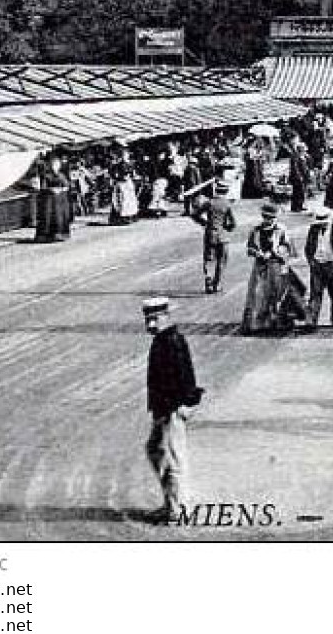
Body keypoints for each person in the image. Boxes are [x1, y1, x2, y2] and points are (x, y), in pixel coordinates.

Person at [143, 297, 202, 524]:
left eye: (155, 319)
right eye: (148, 320)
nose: (150, 324)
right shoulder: (163, 339)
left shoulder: (173, 342)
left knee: (174, 459)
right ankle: (171, 503)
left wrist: (185, 405)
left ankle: (179, 510)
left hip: (172, 409)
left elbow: (186, 377)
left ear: (166, 317)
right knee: (156, 451)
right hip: (162, 409)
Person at [243, 203, 302, 334]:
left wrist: (276, 252)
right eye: (265, 217)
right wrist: (257, 253)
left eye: (271, 218)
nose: (268, 220)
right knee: (258, 294)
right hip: (261, 266)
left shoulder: (281, 230)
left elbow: (289, 248)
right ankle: (259, 323)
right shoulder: (255, 230)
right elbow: (249, 247)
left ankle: (280, 320)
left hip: (277, 266)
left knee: (280, 293)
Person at [304, 206, 333, 328]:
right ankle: (311, 321)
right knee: (315, 294)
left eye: (324, 223)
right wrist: (311, 260)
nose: (321, 225)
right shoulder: (313, 229)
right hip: (317, 264)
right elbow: (308, 247)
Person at [192, 179, 237, 295]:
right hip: (223, 236)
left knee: (208, 259)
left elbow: (195, 214)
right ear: (226, 191)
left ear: (216, 190)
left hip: (210, 234)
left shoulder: (209, 202)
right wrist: (227, 227)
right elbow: (233, 224)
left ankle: (208, 279)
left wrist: (205, 223)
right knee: (221, 260)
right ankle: (217, 284)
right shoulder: (227, 204)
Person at [34, 155, 73, 242]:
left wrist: (62, 189)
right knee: (48, 216)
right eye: (53, 165)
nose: (55, 167)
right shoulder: (46, 176)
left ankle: (60, 234)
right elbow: (43, 188)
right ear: (50, 165)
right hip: (49, 199)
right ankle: (46, 236)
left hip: (60, 200)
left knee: (60, 216)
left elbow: (67, 186)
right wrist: (51, 189)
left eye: (57, 165)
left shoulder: (61, 175)